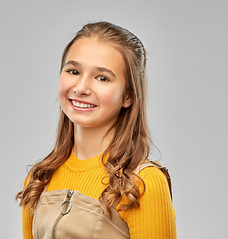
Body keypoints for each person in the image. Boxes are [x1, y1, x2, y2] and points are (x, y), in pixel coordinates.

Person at [16, 21, 176, 239]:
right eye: (73, 71)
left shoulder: (142, 182)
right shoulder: (39, 179)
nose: (81, 88)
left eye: (102, 78)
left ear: (128, 96)